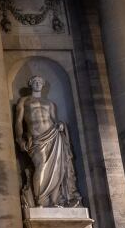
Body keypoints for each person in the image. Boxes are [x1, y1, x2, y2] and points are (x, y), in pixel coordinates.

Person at [14, 75, 81, 208]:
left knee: (57, 169)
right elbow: (18, 122)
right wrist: (19, 138)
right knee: (41, 166)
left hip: (53, 135)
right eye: (35, 81)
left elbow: (54, 119)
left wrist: (61, 125)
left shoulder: (49, 103)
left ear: (43, 85)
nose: (38, 84)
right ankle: (40, 200)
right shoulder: (24, 101)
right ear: (31, 84)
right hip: (37, 138)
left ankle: (54, 201)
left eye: (40, 82)